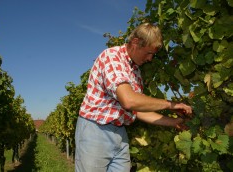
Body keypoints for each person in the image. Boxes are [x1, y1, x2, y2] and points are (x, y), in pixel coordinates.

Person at [75, 23, 192, 172]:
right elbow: (129, 100)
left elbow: (137, 109)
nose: (150, 59)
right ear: (136, 42)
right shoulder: (112, 57)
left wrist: (173, 122)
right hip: (95, 130)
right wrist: (171, 104)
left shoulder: (135, 71)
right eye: (148, 53)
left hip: (119, 133)